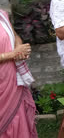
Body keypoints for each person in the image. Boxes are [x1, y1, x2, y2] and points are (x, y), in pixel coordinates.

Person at [0, 9, 37, 137]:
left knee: (18, 116)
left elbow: (15, 36)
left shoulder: (2, 14)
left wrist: (19, 48)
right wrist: (11, 54)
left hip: (12, 79)